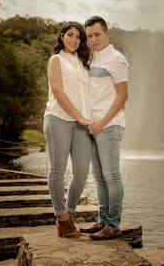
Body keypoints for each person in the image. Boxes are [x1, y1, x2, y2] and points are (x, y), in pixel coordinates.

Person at [79, 16, 129, 240]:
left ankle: (113, 225)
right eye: (89, 36)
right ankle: (102, 221)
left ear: (107, 33)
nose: (93, 39)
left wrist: (102, 122)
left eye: (97, 34)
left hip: (109, 125)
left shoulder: (116, 59)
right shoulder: (95, 58)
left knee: (111, 175)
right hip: (94, 125)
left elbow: (123, 96)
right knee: (99, 177)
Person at [43, 21, 93, 238]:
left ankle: (69, 214)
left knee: (81, 171)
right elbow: (58, 92)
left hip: (83, 124)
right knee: (58, 169)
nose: (74, 40)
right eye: (70, 35)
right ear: (62, 36)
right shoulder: (56, 60)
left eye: (78, 37)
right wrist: (80, 117)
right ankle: (61, 218)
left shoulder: (85, 63)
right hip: (58, 119)